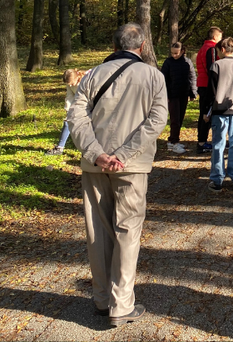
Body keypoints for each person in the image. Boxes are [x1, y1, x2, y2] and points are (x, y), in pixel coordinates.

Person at [65, 23, 171, 325]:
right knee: (128, 230)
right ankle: (120, 304)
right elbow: (157, 121)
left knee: (97, 231)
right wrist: (122, 155)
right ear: (142, 46)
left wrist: (96, 153)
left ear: (115, 46)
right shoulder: (153, 76)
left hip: (95, 165)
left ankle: (101, 299)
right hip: (131, 166)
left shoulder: (93, 75)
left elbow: (75, 116)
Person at [207, 37, 233, 191]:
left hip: (219, 110)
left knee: (218, 145)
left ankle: (217, 178)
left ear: (223, 49)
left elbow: (210, 91)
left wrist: (207, 111)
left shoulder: (216, 65)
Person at [160, 41, 197, 154]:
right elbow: (163, 79)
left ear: (182, 51)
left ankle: (172, 139)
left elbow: (192, 77)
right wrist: (165, 95)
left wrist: (193, 93)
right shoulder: (168, 62)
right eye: (172, 53)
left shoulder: (187, 62)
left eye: (176, 53)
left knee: (180, 118)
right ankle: (174, 141)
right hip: (172, 94)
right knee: (175, 119)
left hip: (184, 93)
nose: (174, 55)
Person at [195, 27, 222, 152]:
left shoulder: (202, 48)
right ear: (215, 37)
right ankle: (202, 142)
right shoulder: (211, 49)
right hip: (207, 85)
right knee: (207, 113)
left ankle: (202, 141)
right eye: (220, 37)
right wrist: (216, 83)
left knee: (204, 112)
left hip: (202, 83)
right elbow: (211, 68)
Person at [48, 68, 86, 156]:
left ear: (76, 78)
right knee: (67, 122)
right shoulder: (69, 85)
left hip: (89, 105)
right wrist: (68, 110)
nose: (71, 85)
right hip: (78, 104)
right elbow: (69, 96)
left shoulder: (85, 81)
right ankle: (60, 148)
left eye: (72, 83)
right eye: (69, 84)